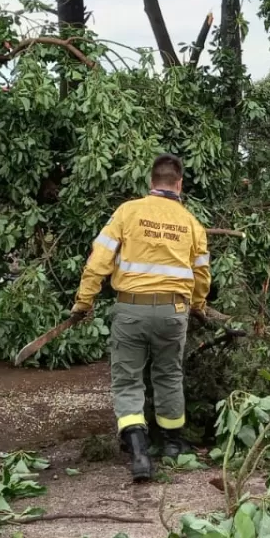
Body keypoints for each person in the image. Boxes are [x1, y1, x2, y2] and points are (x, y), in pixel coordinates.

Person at [70, 153, 210, 481]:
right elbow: (202, 276)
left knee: (127, 379)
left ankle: (138, 452)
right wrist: (198, 306)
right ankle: (173, 446)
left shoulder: (127, 212)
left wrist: (84, 301)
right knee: (168, 375)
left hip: (130, 309)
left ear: (151, 182)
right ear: (179, 184)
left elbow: (98, 261)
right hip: (173, 312)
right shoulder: (192, 223)